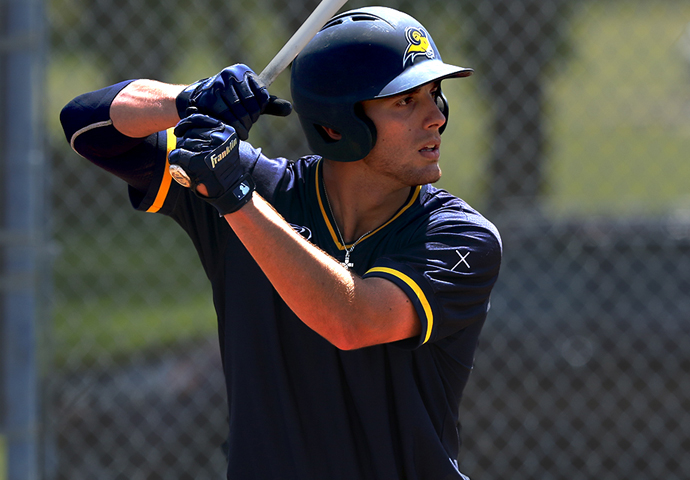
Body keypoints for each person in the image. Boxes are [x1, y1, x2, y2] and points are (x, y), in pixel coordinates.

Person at [60, 6, 502, 479]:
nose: (436, 117)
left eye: (435, 95)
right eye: (405, 102)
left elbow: (352, 320)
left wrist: (234, 198)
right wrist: (189, 100)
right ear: (336, 125)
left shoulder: (458, 235)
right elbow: (89, 127)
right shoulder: (261, 187)